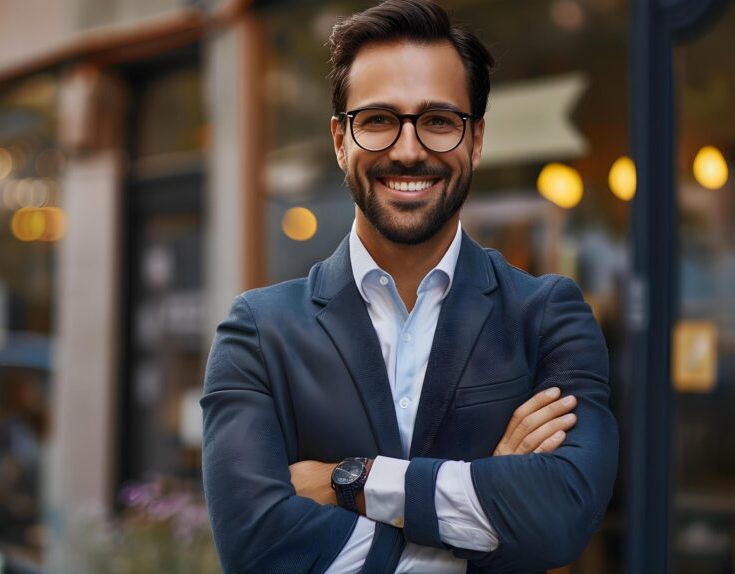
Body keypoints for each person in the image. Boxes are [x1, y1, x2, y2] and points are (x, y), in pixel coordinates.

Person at [200, 1, 619, 572]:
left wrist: (352, 481)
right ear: (340, 140)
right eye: (377, 120)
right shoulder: (258, 332)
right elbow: (258, 547)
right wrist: (482, 519)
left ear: (475, 140)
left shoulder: (545, 316)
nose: (407, 149)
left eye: (438, 121)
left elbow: (562, 515)